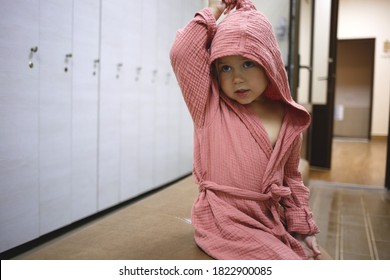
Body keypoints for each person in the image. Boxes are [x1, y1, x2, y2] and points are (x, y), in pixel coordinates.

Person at [170, 0, 325, 260]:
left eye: (248, 64)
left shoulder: (289, 117)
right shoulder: (210, 106)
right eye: (226, 67)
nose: (237, 78)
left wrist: (303, 226)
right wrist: (213, 11)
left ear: (269, 63)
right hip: (223, 219)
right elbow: (182, 54)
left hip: (266, 217)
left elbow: (291, 177)